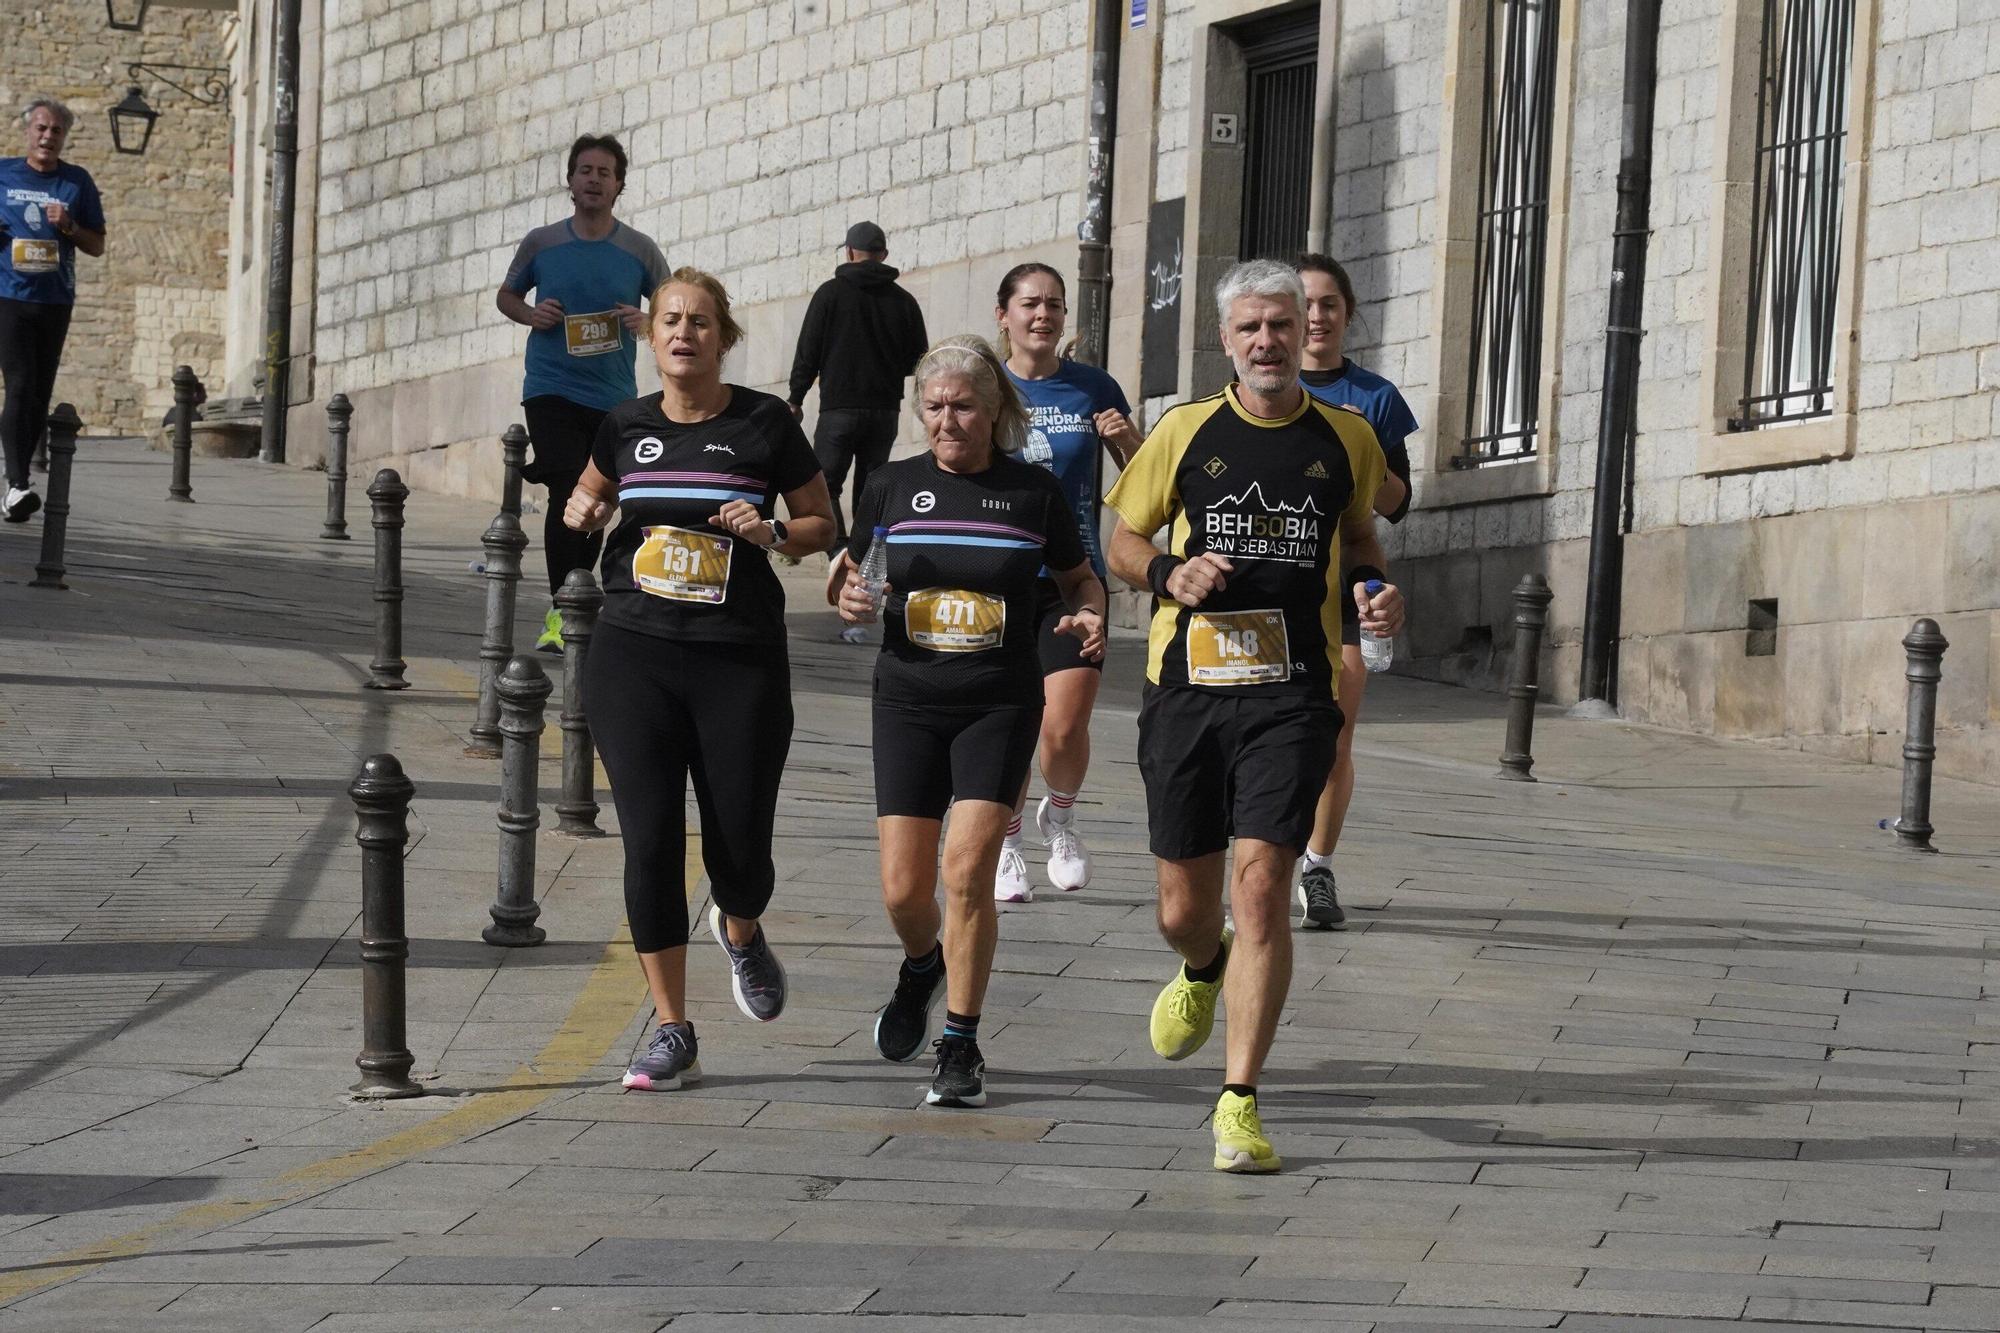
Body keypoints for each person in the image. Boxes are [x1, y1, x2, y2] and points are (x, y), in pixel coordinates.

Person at [1105, 259, 1403, 1173]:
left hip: (1293, 693)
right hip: (1187, 689)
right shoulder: (1187, 431)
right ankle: (1203, 965)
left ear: (1303, 333)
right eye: (1251, 328)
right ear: (1227, 339)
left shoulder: (1347, 436)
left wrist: (1376, 594)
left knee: (1264, 883)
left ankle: (1239, 1100)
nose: (1269, 340)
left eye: (1282, 324)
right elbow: (1121, 537)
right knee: (1181, 909)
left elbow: (1360, 537)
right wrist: (1166, 574)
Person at [562, 268, 835, 1091]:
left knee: (739, 847)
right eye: (671, 320)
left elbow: (825, 524)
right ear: (652, 338)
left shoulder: (764, 424)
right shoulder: (623, 426)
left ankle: (742, 927)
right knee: (648, 840)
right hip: (634, 655)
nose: (685, 333)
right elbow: (590, 494)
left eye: (702, 322)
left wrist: (774, 532)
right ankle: (671, 1026)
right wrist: (582, 513)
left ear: (724, 337)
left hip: (737, 659)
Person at [836, 336, 1105, 1109]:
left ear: (994, 412)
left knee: (967, 872)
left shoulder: (1032, 495)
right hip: (908, 700)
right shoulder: (889, 487)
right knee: (902, 889)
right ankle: (922, 963)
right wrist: (851, 600)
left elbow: (1081, 580)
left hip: (999, 700)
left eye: (963, 406)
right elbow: (858, 579)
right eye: (934, 407)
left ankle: (960, 1040)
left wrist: (1088, 617)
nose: (947, 421)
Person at [989, 263, 1141, 902]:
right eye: (1030, 304)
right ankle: (1007, 840)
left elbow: (1145, 484)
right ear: (1005, 316)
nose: (1043, 315)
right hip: (993, 582)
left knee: (1062, 725)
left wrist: (1129, 440)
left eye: (1054, 304)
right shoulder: (984, 387)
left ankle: (1063, 816)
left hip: (1071, 581)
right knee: (1007, 725)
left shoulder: (1093, 388)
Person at [498, 134, 671, 651]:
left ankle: (580, 592)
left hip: (613, 396)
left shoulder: (638, 249)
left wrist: (647, 320)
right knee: (566, 488)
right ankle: (561, 609)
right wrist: (530, 314)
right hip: (550, 386)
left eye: (605, 172)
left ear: (619, 185)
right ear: (569, 181)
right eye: (585, 170)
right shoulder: (542, 242)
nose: (594, 179)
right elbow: (507, 295)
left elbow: (671, 307)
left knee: (597, 496)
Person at [1293, 254, 1419, 931]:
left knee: (1335, 733)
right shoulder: (1260, 386)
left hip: (1348, 583)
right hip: (1277, 584)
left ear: (1347, 313)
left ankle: (1316, 864)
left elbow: (1398, 503)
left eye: (1328, 305)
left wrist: (1359, 452)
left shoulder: (1375, 396)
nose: (1316, 317)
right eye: (1305, 304)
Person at [786, 220, 929, 625]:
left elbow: (808, 349)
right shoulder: (903, 301)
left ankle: (837, 550)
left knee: (822, 482)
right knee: (872, 484)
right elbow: (917, 358)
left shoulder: (830, 294)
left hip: (839, 409)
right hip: (884, 410)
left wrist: (796, 397)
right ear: (883, 255)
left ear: (848, 252)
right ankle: (864, 557)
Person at [2, 97, 104, 524]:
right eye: (41, 129)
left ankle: (16, 487)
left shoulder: (76, 182)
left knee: (39, 396)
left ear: (64, 137)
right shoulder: (3, 174)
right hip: (8, 296)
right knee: (20, 386)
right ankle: (16, 483)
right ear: (27, 131)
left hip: (55, 300)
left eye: (56, 131)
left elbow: (96, 245)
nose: (48, 137)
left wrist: (68, 226)